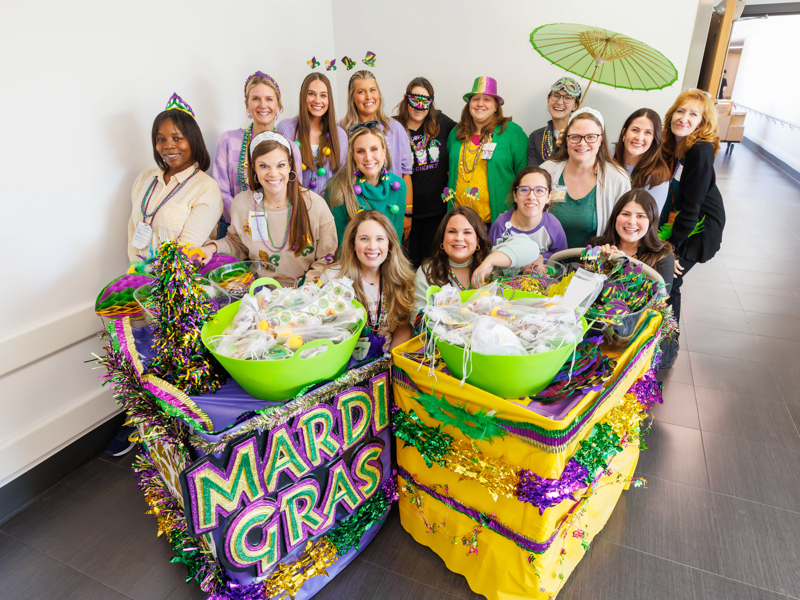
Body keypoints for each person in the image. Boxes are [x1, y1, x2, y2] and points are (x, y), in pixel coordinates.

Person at [200, 132, 337, 286]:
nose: (273, 174)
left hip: (305, 293)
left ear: (290, 165)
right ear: (254, 168)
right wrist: (212, 248)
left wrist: (303, 289)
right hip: (260, 293)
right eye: (264, 166)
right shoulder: (242, 204)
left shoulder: (315, 205)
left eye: (280, 165)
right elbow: (237, 243)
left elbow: (328, 257)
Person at [127, 93, 222, 263]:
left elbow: (187, 251)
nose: (168, 145)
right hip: (138, 278)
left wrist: (152, 283)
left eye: (177, 138)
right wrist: (136, 276)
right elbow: (132, 232)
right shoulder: (144, 178)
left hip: (177, 283)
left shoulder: (206, 188)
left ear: (193, 141)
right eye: (160, 139)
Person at [659, 88, 725, 325]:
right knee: (666, 278)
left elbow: (693, 208)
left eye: (693, 114)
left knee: (669, 279)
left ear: (703, 123)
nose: (684, 118)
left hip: (701, 226)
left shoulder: (700, 150)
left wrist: (671, 248)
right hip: (683, 222)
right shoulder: (675, 146)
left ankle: (668, 340)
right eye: (680, 110)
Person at [412, 206, 541, 320]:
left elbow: (532, 248)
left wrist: (489, 261)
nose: (459, 238)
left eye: (467, 232)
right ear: (442, 238)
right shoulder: (427, 271)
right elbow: (417, 318)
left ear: (478, 239)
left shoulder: (493, 261)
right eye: (452, 231)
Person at [212, 72, 301, 234]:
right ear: (247, 104)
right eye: (255, 99)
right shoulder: (228, 141)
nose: (263, 105)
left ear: (278, 105)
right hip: (232, 228)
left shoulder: (291, 148)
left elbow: (295, 192)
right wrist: (245, 222)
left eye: (269, 99)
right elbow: (220, 191)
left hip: (277, 228)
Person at [320, 211, 415, 356]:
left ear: (389, 244)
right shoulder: (333, 278)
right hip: (343, 366)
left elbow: (403, 327)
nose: (372, 246)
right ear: (353, 244)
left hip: (385, 364)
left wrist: (392, 364)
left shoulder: (402, 280)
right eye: (364, 239)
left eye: (380, 239)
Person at [541, 107, 631, 248]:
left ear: (600, 139)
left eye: (590, 137)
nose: (582, 143)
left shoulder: (618, 180)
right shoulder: (547, 171)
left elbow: (625, 231)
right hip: (546, 262)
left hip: (592, 266)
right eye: (575, 136)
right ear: (566, 139)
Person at [340, 70, 413, 238]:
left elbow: (406, 175)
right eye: (361, 91)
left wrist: (407, 213)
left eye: (372, 90)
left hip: (390, 209)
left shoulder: (395, 129)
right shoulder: (341, 131)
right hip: (355, 210)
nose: (368, 97)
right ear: (352, 97)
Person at [393, 77, 456, 268]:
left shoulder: (442, 123)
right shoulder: (394, 128)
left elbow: (468, 132)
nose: (420, 106)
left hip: (436, 213)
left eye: (426, 101)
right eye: (415, 100)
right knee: (406, 267)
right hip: (403, 212)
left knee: (433, 267)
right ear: (406, 99)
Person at [447, 77, 528, 225]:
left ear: (496, 106)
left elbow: (526, 177)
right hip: (459, 220)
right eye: (475, 99)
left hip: (498, 222)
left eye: (487, 99)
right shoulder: (456, 133)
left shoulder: (513, 133)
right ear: (469, 104)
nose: (480, 104)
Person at [325, 123, 407, 247]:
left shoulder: (398, 186)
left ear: (384, 151)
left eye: (374, 149)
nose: (368, 158)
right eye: (360, 151)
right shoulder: (338, 187)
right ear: (353, 156)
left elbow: (395, 240)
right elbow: (339, 246)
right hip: (350, 263)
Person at [591, 189, 675, 294]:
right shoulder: (595, 246)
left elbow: (656, 303)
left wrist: (622, 266)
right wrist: (598, 260)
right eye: (626, 214)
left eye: (641, 216)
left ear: (651, 221)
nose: (631, 222)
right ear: (615, 217)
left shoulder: (662, 257)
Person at [277, 73, 348, 193]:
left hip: (328, 209)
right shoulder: (286, 129)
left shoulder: (339, 135)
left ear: (329, 99)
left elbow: (343, 181)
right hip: (295, 208)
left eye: (323, 95)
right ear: (303, 96)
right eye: (311, 94)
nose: (317, 100)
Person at [488, 166, 567, 270]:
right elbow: (490, 261)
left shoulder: (553, 226)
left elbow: (563, 258)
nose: (531, 197)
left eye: (539, 190)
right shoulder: (501, 226)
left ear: (548, 197)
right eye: (524, 190)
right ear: (515, 195)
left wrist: (544, 258)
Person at [613, 108, 671, 213]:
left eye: (648, 133)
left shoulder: (658, 175)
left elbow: (649, 220)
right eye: (635, 130)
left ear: (654, 139)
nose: (639, 137)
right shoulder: (607, 155)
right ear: (624, 133)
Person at [527, 77, 582, 167]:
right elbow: (533, 173)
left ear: (575, 106)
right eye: (556, 96)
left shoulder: (583, 138)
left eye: (567, 98)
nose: (560, 102)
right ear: (548, 100)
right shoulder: (536, 137)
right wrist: (558, 148)